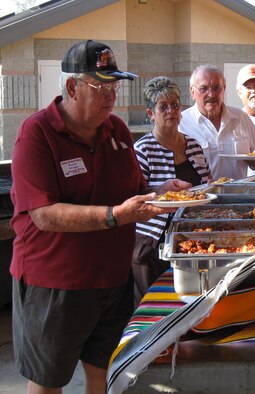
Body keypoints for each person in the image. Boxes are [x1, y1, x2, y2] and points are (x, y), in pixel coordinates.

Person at [9, 40, 191, 393]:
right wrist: (114, 216)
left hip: (112, 281)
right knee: (48, 380)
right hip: (55, 284)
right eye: (100, 86)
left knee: (105, 372)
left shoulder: (117, 130)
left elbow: (132, 192)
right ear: (72, 87)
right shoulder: (36, 134)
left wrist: (162, 191)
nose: (111, 95)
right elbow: (44, 214)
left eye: (115, 85)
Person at [132, 76, 211, 306]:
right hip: (152, 244)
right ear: (151, 114)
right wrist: (160, 191)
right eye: (163, 107)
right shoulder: (143, 148)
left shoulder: (193, 144)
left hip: (190, 238)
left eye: (175, 105)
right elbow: (135, 195)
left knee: (187, 304)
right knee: (153, 307)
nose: (170, 111)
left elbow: (205, 186)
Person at [179, 64, 255, 180]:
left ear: (224, 89)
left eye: (216, 88)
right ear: (192, 92)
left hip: (237, 195)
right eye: (203, 89)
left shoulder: (240, 117)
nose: (211, 94)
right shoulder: (182, 123)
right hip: (200, 196)